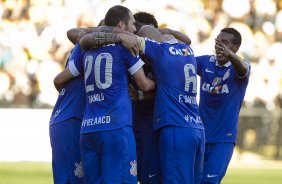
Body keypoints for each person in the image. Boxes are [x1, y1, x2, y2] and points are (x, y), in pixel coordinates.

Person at [54, 5, 155, 184]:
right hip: (116, 127)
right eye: (132, 24)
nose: (134, 29)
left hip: (89, 128)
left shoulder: (86, 48)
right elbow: (144, 85)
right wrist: (166, 84)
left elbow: (59, 79)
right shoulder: (126, 47)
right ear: (122, 25)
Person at [131, 12, 192, 184]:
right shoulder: (134, 54)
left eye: (140, 30)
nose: (136, 33)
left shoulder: (163, 55)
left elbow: (186, 40)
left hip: (153, 127)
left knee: (152, 178)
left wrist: (142, 94)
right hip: (133, 126)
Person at [195, 28, 251, 184]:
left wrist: (230, 55)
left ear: (236, 47)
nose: (220, 46)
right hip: (200, 136)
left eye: (225, 43)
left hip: (223, 138)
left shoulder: (240, 66)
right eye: (218, 42)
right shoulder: (206, 62)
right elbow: (182, 63)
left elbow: (243, 69)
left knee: (209, 182)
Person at [49, 45, 85, 184]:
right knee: (73, 178)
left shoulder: (80, 47)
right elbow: (58, 80)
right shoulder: (87, 49)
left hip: (65, 117)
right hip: (71, 120)